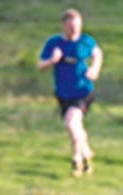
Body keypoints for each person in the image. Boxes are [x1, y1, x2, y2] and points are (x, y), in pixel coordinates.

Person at [38, 8, 103, 177]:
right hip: (63, 95)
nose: (74, 31)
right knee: (76, 127)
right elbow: (40, 65)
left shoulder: (85, 41)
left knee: (71, 124)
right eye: (71, 27)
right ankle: (87, 153)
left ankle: (76, 160)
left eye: (77, 27)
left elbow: (97, 54)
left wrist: (94, 69)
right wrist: (52, 60)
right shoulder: (54, 43)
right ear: (63, 26)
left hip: (83, 92)